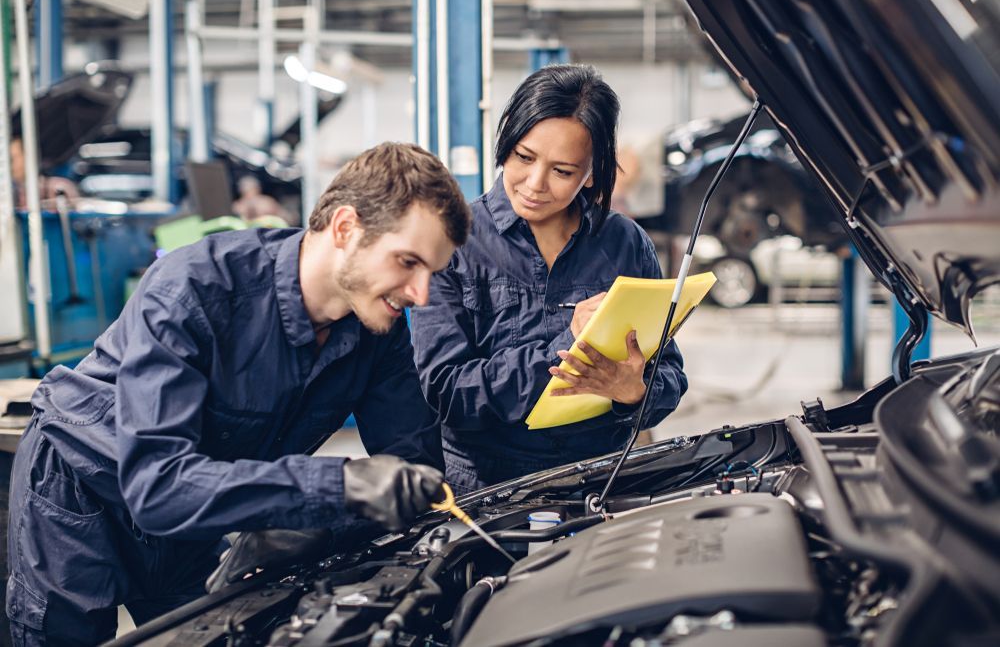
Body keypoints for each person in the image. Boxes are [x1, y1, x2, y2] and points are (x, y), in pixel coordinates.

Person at [6, 142, 471, 645]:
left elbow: (412, 463)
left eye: (433, 273)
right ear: (345, 228)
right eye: (408, 262)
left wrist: (311, 528)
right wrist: (335, 487)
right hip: (82, 492)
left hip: (198, 509)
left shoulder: (378, 331)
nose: (421, 294)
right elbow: (158, 485)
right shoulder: (194, 290)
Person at [411, 65, 688, 493]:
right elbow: (446, 392)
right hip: (487, 493)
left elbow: (669, 373)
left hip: (599, 484)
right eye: (524, 157)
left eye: (562, 171)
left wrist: (633, 392)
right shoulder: (456, 241)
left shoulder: (624, 244)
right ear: (506, 142)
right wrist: (568, 349)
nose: (535, 184)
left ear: (591, 172)